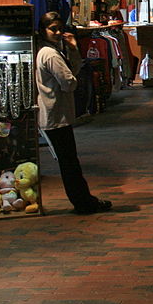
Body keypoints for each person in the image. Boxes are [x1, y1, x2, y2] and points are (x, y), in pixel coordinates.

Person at [35, 11, 112, 215]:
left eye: (60, 28)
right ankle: (83, 202)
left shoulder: (52, 50)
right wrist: (73, 80)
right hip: (55, 116)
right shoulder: (50, 54)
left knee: (69, 161)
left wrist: (74, 49)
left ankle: (83, 200)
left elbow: (73, 71)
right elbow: (69, 82)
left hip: (58, 114)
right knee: (69, 162)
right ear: (43, 30)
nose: (58, 32)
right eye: (53, 29)